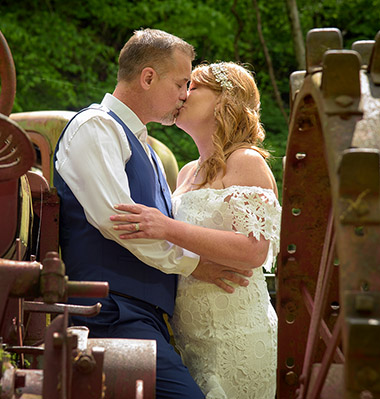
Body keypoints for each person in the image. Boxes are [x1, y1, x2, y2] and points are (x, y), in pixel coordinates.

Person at [53, 30, 252, 399]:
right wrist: (195, 265)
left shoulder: (146, 150)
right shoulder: (96, 127)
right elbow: (122, 222)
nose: (184, 94)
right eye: (180, 82)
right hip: (108, 313)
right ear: (147, 77)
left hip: (144, 317)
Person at [110, 62, 280, 398]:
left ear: (224, 99)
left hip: (236, 334)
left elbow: (253, 251)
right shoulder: (187, 171)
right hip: (188, 335)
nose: (183, 94)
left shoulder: (246, 160)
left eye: (194, 86)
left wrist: (168, 228)